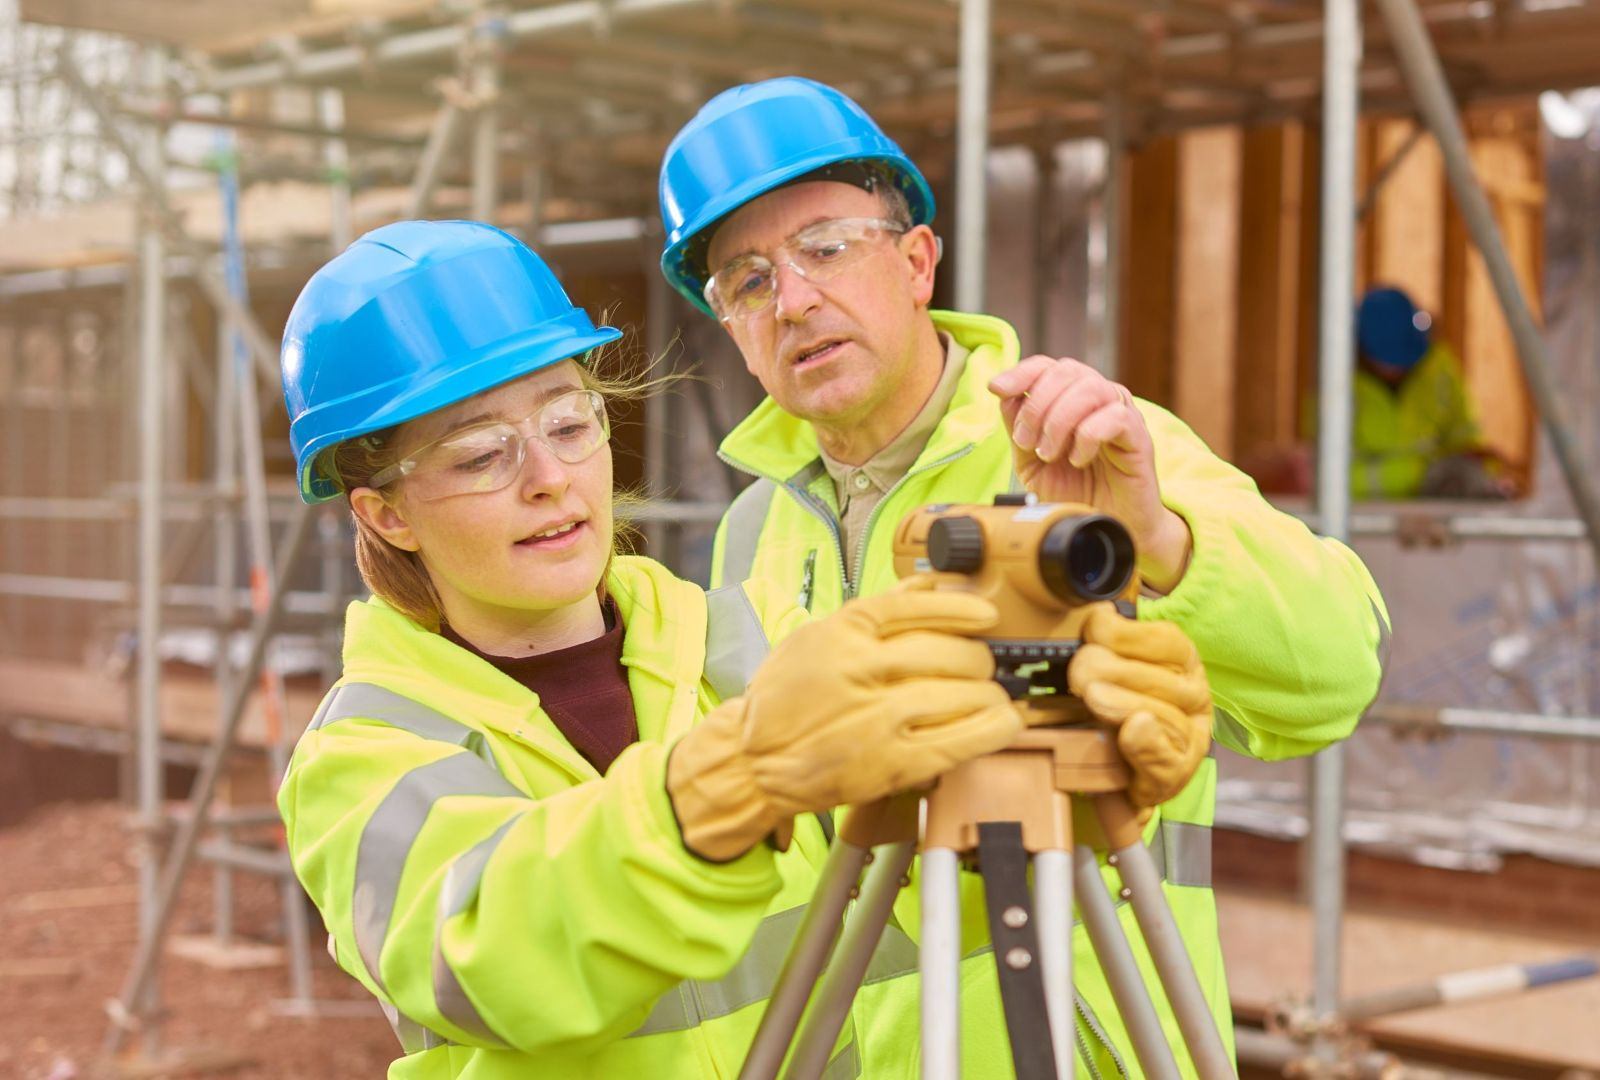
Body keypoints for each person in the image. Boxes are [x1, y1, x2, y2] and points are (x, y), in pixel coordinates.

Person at [658, 77, 1392, 1076]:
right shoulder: (754, 533)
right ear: (731, 329)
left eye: (825, 247)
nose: (792, 301)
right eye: (746, 281)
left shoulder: (1086, 451)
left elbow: (1336, 670)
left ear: (917, 262)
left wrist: (1154, 536)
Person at [273, 219, 1093, 1076]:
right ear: (386, 515)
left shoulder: (746, 640)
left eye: (568, 423)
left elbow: (921, 894)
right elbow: (505, 960)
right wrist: (717, 790)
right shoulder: (364, 757)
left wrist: (1054, 733)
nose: (550, 478)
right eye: (482, 456)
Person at [1348, 285, 1510, 500]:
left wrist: (1483, 474)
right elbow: (1327, 476)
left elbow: (1465, 438)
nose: (1400, 368)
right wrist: (1421, 473)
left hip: (1438, 508)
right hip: (1363, 516)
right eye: (1389, 360)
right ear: (1362, 349)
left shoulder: (1438, 368)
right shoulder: (1338, 384)